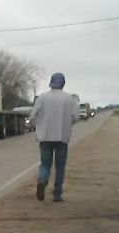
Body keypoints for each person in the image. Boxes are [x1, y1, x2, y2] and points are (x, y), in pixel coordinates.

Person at [32, 73, 79, 202]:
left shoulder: (42, 97)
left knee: (45, 164)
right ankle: (57, 194)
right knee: (60, 166)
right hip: (62, 137)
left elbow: (33, 115)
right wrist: (67, 124)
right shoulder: (70, 99)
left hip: (45, 137)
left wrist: (39, 126)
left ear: (51, 83)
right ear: (63, 83)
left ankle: (42, 180)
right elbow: (76, 117)